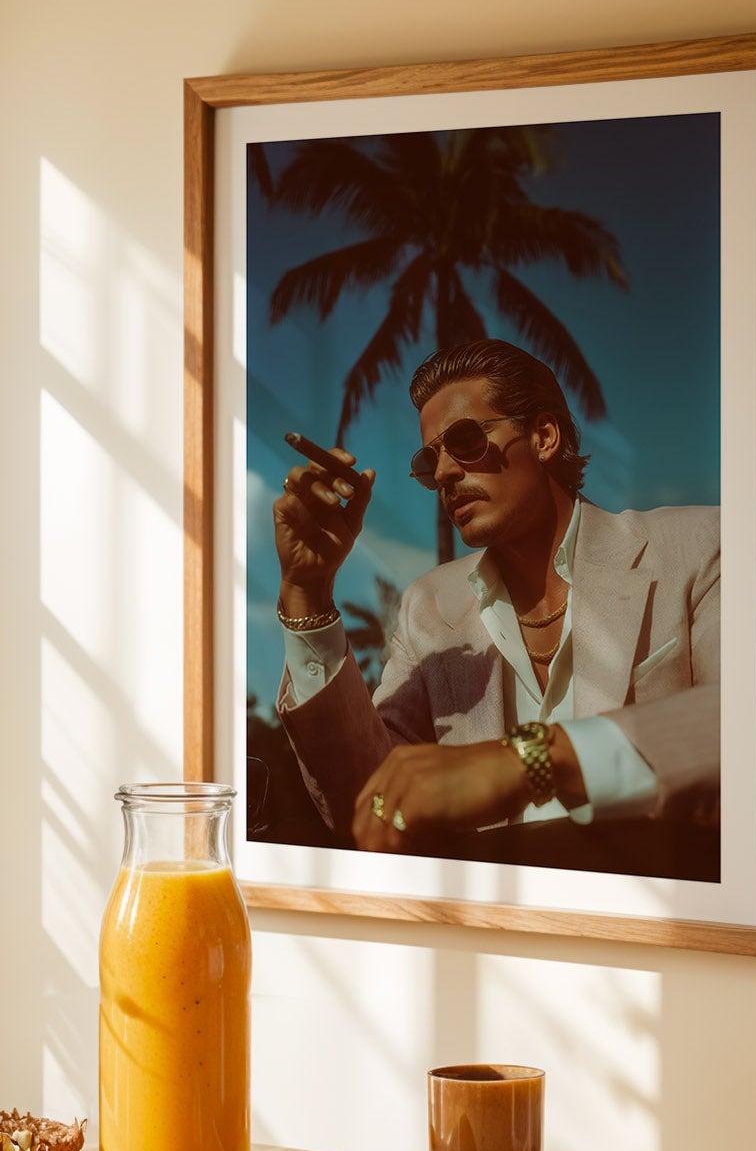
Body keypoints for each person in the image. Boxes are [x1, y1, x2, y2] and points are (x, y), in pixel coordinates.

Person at [272, 338, 720, 861]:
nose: (443, 473)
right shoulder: (429, 610)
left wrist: (531, 760)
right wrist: (308, 594)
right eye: (427, 460)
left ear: (545, 437)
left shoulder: (696, 548)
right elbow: (368, 808)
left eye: (464, 440)